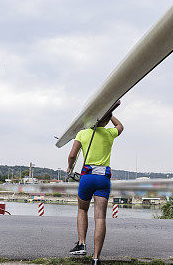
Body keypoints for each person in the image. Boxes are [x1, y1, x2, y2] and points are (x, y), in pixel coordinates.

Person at [67, 113, 124, 265]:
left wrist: (69, 167)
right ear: (106, 121)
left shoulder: (82, 134)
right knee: (100, 218)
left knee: (82, 209)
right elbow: (120, 127)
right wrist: (111, 113)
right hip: (103, 178)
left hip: (87, 177)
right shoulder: (109, 133)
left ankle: (81, 244)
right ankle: (96, 258)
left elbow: (72, 155)